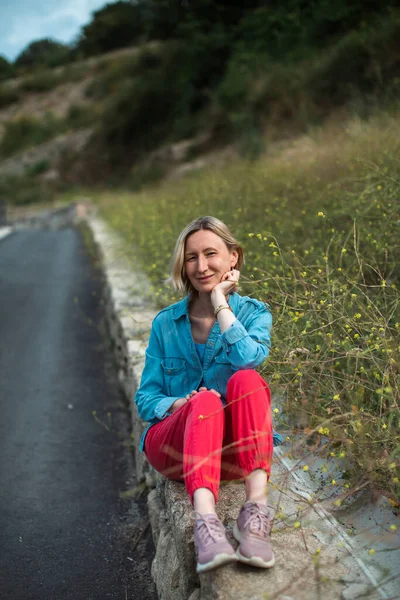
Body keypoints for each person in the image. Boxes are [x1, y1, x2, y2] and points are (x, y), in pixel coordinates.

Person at [135, 216, 282, 574]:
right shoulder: (165, 323)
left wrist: (220, 302)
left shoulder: (253, 313)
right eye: (191, 257)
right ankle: (205, 524)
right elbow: (146, 398)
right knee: (203, 400)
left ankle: (255, 516)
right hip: (174, 447)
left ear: (233, 257)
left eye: (211, 254)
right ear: (183, 265)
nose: (201, 266)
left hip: (230, 454)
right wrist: (176, 404)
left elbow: (249, 359)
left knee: (247, 381)